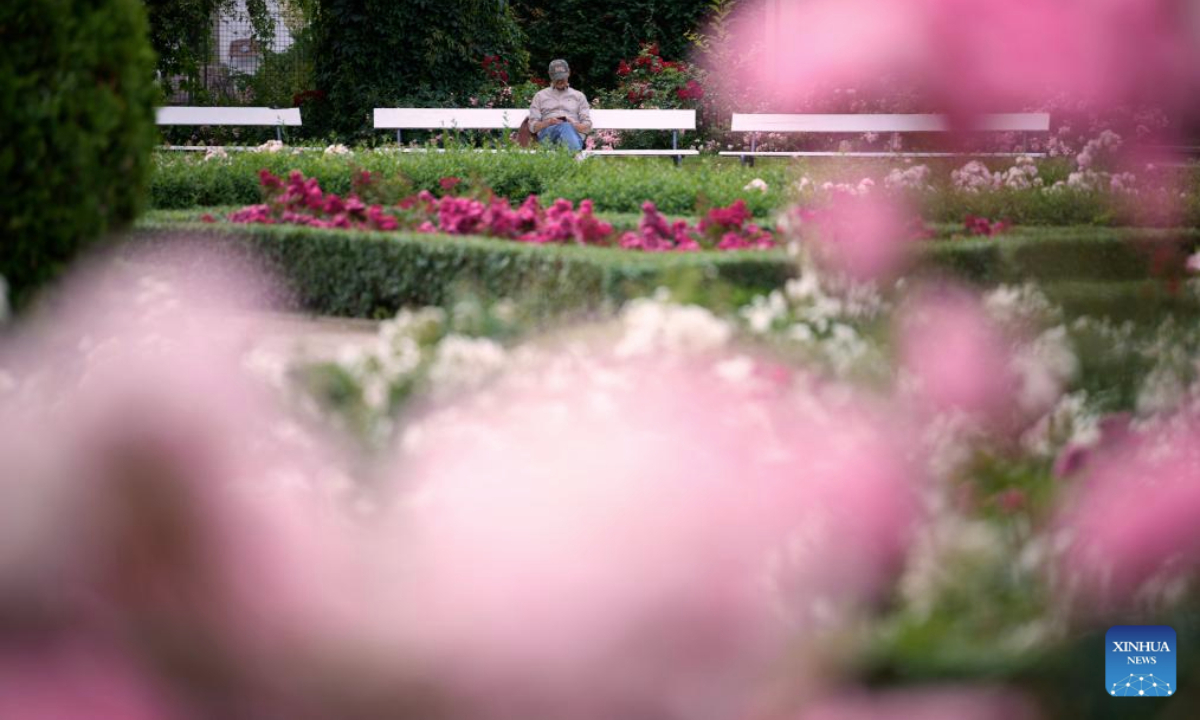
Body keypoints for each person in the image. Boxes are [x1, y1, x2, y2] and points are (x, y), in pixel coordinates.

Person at [528, 59, 592, 151]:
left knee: (566, 126)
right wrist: (549, 122)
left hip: (574, 134)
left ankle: (572, 154)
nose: (560, 81)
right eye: (556, 78)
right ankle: (576, 157)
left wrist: (573, 125)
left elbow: (587, 126)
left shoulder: (579, 96)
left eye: (562, 77)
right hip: (549, 136)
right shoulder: (540, 96)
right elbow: (532, 127)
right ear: (550, 75)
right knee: (564, 126)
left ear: (569, 73)